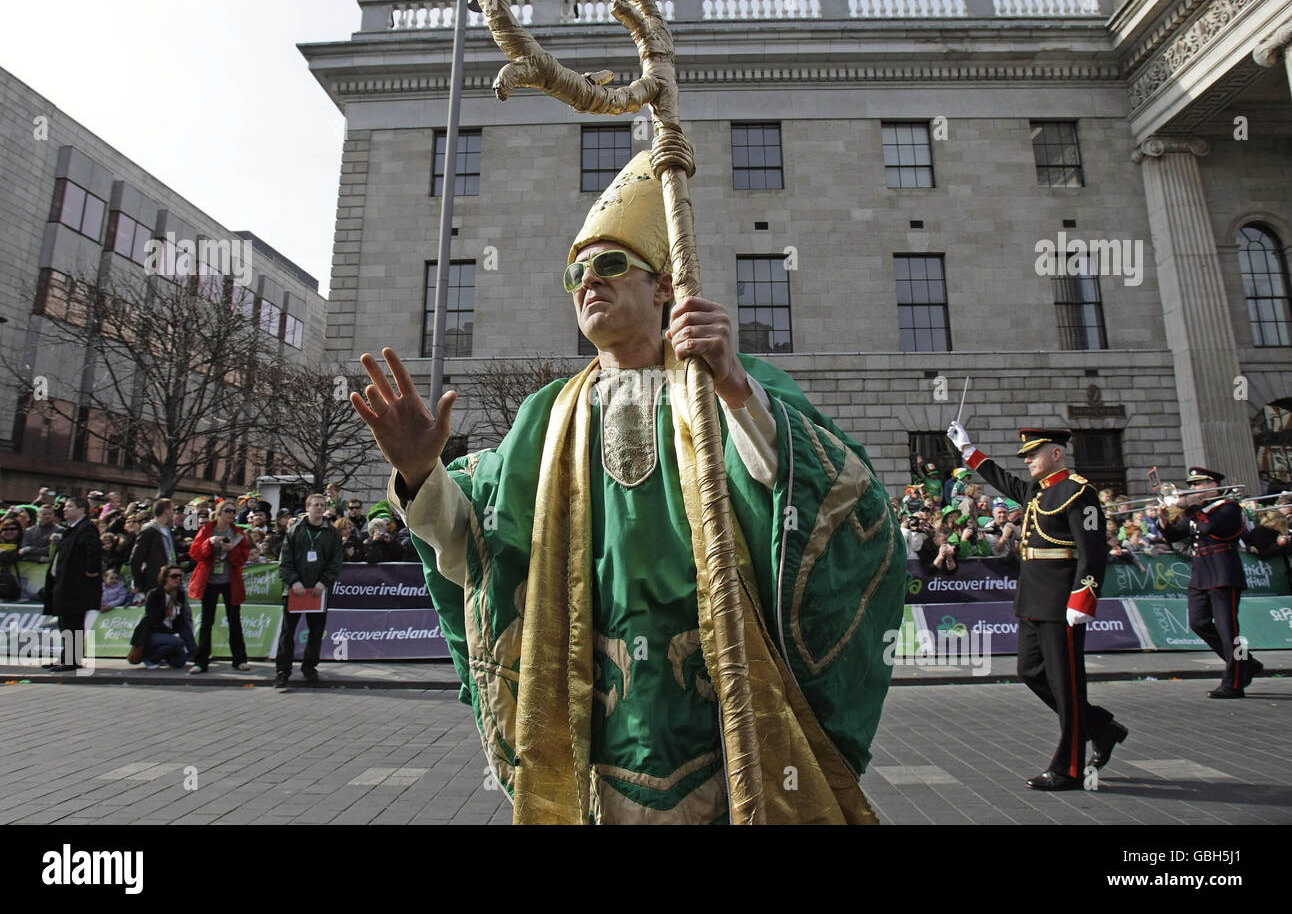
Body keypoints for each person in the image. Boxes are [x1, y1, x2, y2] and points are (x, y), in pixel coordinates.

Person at [353, 151, 906, 824]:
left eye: (611, 265)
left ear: (665, 287)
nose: (589, 281)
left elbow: (830, 496)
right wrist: (418, 473)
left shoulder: (724, 386)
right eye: (577, 273)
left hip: (724, 698)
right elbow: (478, 543)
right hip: (600, 712)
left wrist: (734, 388)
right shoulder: (547, 415)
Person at [947, 421, 1126, 790]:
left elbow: (1092, 551)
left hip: (1063, 601)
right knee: (1030, 671)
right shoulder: (1037, 490)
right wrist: (969, 451)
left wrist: (1084, 596)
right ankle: (1100, 728)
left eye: (1032, 454)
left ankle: (1069, 769)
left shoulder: (1078, 493)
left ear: (1056, 453)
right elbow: (1003, 479)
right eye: (1025, 455)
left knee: (1067, 686)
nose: (1027, 460)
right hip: (1033, 598)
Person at [1160, 467, 1263, 698]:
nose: (1194, 489)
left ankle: (1234, 683)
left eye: (1199, 484)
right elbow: (1175, 535)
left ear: (1213, 485)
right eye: (1193, 485)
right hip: (1200, 574)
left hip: (1223, 573)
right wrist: (1164, 518)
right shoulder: (1199, 512)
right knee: (1198, 622)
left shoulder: (1229, 508)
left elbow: (1212, 528)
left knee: (1230, 632)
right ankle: (1246, 663)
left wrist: (1194, 508)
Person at [275, 493, 343, 689]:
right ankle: (283, 670)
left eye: (322, 505)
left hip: (318, 591)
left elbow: (336, 561)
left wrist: (324, 582)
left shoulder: (332, 533)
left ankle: (309, 667)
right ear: (308, 508)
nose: (319, 508)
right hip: (294, 591)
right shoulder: (295, 530)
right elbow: (285, 561)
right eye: (315, 505)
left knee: (315, 632)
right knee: (288, 632)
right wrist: (293, 581)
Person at [187, 501, 252, 674]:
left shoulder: (238, 533)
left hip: (230, 581)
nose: (232, 514)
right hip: (209, 581)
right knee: (207, 622)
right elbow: (195, 553)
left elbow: (242, 558)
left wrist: (231, 549)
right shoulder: (207, 530)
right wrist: (208, 542)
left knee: (234, 621)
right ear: (219, 513)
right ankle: (200, 661)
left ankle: (239, 659)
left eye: (234, 511)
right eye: (228, 511)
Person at [42, 496, 101, 672]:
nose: (65, 509)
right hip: (64, 583)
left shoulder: (86, 528)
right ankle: (65, 657)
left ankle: (72, 660)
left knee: (73, 623)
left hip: (76, 586)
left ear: (81, 510)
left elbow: (93, 551)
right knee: (65, 622)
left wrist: (91, 571)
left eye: (70, 507)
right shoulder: (72, 529)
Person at [141, 564, 197, 669]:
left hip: (171, 633)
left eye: (180, 576)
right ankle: (151, 657)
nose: (178, 579)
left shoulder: (180, 594)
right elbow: (153, 621)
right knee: (178, 642)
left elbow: (181, 620)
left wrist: (193, 649)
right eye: (174, 576)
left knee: (179, 662)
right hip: (154, 633)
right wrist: (172, 634)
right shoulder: (154, 594)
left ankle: (165, 654)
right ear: (165, 577)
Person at [129, 498, 178, 595]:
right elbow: (136, 559)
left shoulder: (168, 530)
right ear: (166, 511)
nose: (174, 513)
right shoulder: (149, 530)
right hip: (154, 580)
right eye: (173, 509)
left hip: (170, 579)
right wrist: (138, 583)